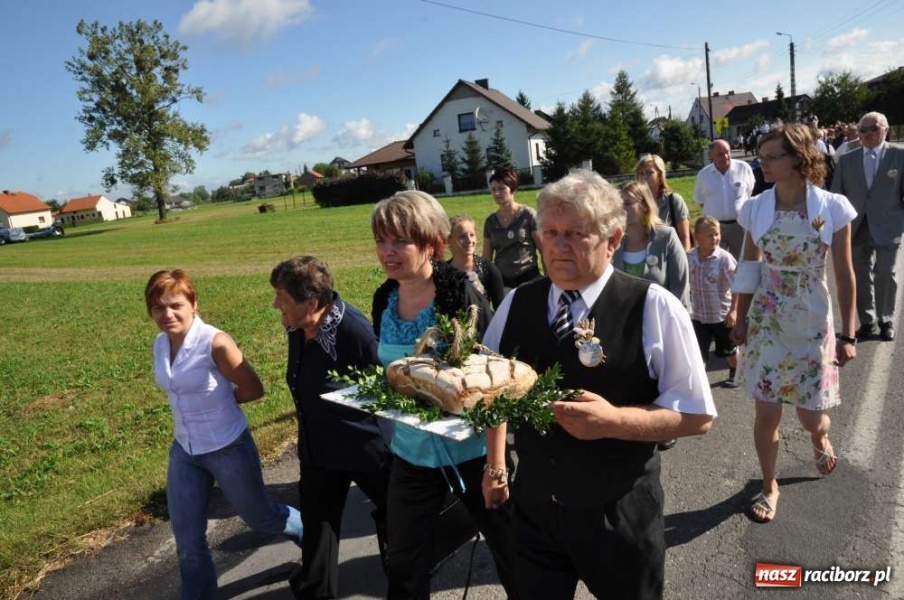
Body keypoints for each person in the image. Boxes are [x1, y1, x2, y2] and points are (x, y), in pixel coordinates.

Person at [482, 169, 716, 599]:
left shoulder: (652, 307)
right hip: (535, 512)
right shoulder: (517, 303)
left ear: (613, 240)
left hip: (619, 517)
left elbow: (697, 415)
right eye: (550, 232)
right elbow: (490, 388)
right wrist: (494, 464)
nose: (559, 244)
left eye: (575, 233)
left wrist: (614, 422)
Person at [370, 190, 519, 600]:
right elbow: (394, 374)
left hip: (473, 454)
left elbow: (493, 381)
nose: (388, 251)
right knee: (403, 562)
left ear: (433, 241)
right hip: (412, 452)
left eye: (400, 241)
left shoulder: (459, 293)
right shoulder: (385, 296)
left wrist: (496, 466)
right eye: (382, 241)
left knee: (513, 553)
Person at [145, 269, 303, 600]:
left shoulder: (215, 342)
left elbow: (253, 388)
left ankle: (316, 539)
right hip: (185, 450)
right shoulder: (161, 345)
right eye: (158, 307)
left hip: (227, 446)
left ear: (193, 303)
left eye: (175, 305)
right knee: (187, 540)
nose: (167, 314)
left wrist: (218, 406)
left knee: (262, 517)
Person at [731, 124, 857, 524]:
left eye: (772, 157)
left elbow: (844, 275)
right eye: (762, 156)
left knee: (808, 415)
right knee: (766, 412)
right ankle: (770, 485)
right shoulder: (755, 208)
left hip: (811, 318)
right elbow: (750, 266)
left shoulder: (831, 207)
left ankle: (820, 436)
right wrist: (741, 313)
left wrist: (849, 335)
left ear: (799, 158)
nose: (763, 164)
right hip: (768, 318)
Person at [270, 256, 391, 599]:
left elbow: (387, 388)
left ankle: (409, 575)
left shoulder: (354, 331)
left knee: (399, 517)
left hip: (365, 450)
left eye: (282, 296)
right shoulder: (297, 326)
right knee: (318, 534)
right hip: (318, 451)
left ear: (311, 302)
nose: (276, 303)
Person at [831, 111, 904, 342]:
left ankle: (886, 319)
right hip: (855, 226)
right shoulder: (847, 160)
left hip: (888, 224)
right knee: (860, 275)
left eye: (874, 128)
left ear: (886, 129)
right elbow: (835, 196)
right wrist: (829, 227)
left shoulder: (899, 156)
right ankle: (867, 320)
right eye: (863, 130)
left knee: (885, 273)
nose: (869, 133)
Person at [613, 180, 690, 309]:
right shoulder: (611, 241)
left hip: (662, 321)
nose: (621, 209)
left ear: (645, 206)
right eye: (617, 204)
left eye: (627, 203)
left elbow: (681, 287)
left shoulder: (666, 237)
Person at [687, 216, 739, 387]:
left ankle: (735, 371)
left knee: (729, 351)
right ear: (697, 237)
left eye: (717, 234)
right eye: (709, 235)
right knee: (698, 353)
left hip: (721, 316)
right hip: (698, 316)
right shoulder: (689, 258)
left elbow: (737, 286)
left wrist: (734, 311)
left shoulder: (724, 259)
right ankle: (700, 385)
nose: (714, 238)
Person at [694, 139, 756, 259]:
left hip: (740, 226)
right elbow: (700, 200)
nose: (725, 157)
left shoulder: (743, 168)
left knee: (741, 261)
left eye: (727, 152)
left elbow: (750, 193)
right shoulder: (703, 175)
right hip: (713, 229)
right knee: (714, 261)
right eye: (720, 154)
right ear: (711, 156)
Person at [482, 167, 542, 290]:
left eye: (501, 188)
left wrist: (548, 280)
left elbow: (544, 250)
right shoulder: (490, 222)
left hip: (530, 282)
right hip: (503, 286)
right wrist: (486, 287)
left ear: (513, 189)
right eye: (493, 189)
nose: (496, 193)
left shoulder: (528, 215)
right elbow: (486, 259)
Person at [635, 153, 692, 250]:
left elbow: (684, 238)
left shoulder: (674, 200)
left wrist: (684, 262)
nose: (644, 177)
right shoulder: (634, 203)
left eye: (649, 172)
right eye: (641, 173)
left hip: (670, 257)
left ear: (660, 175)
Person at [447, 214, 505, 310]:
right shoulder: (444, 273)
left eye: (472, 235)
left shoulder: (487, 269)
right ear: (449, 241)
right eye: (462, 236)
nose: (469, 240)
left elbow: (501, 310)